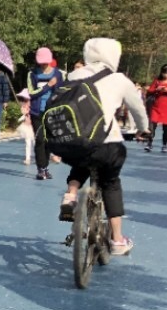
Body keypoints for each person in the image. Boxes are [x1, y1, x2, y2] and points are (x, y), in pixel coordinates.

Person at [56, 37, 149, 255]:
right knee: (110, 182)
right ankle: (117, 240)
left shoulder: (73, 75)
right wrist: (143, 129)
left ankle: (70, 195)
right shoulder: (119, 79)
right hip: (108, 143)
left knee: (81, 160)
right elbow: (138, 109)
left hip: (74, 141)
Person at [27, 47, 64, 180]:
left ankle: (45, 168)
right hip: (37, 112)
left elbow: (62, 92)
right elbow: (31, 93)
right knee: (40, 140)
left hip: (52, 113)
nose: (43, 64)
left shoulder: (58, 74)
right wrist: (48, 85)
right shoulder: (32, 74)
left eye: (45, 62)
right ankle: (40, 169)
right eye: (41, 62)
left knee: (48, 141)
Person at [144, 64, 167, 153]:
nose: (166, 75)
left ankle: (164, 145)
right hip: (156, 106)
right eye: (164, 73)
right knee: (152, 126)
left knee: (166, 127)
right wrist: (157, 89)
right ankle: (149, 143)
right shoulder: (157, 80)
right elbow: (150, 90)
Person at [16, 88, 34, 165]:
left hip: (35, 125)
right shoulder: (24, 105)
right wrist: (24, 113)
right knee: (28, 142)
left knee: (37, 143)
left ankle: (42, 156)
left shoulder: (35, 104)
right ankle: (27, 158)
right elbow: (24, 113)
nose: (25, 98)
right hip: (27, 126)